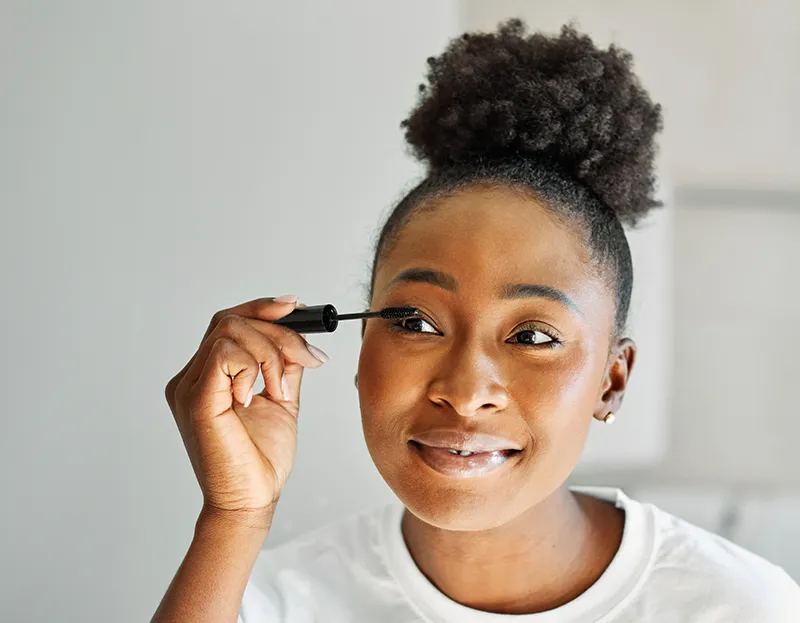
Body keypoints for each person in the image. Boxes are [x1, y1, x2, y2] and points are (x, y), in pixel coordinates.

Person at [152, 19, 800, 623]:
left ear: (612, 380)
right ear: (362, 342)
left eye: (533, 336)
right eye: (415, 322)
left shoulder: (739, 607)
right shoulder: (265, 599)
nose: (464, 392)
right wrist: (234, 515)